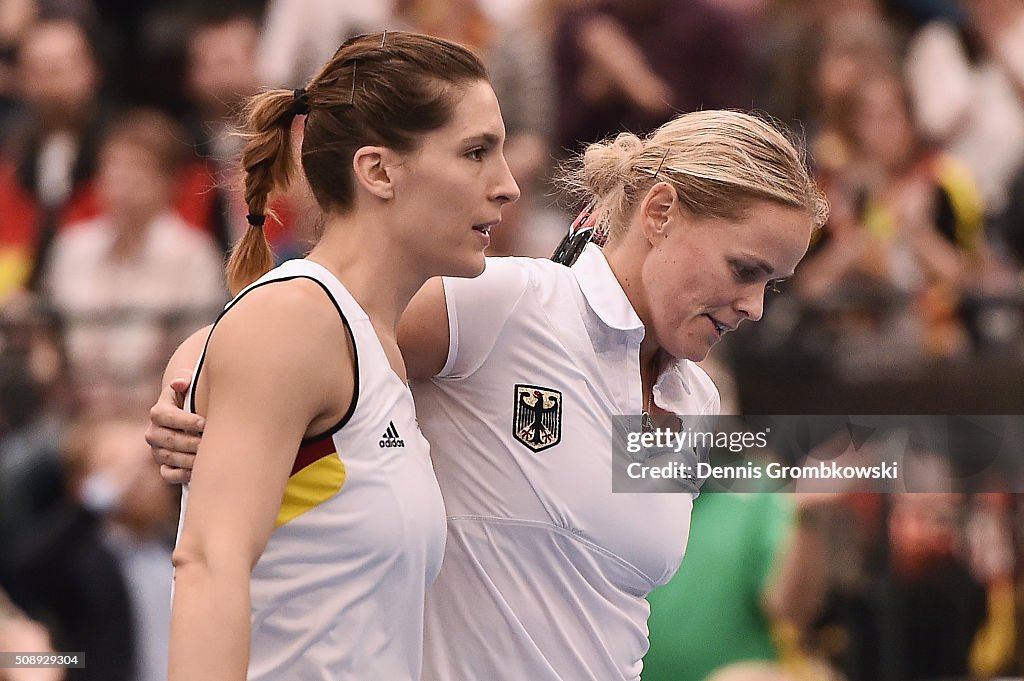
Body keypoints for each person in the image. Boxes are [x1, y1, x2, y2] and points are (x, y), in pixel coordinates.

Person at [149, 109, 827, 680]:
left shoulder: (698, 401)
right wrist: (186, 385)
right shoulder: (508, 304)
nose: (753, 307)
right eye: (745, 269)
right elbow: (289, 323)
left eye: (771, 284)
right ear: (660, 212)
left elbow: (603, 600)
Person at [164, 31, 519, 681]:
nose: (508, 185)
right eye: (476, 152)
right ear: (378, 170)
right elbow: (208, 563)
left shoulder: (373, 341)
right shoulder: (296, 320)